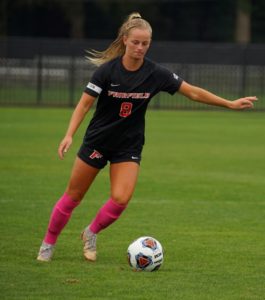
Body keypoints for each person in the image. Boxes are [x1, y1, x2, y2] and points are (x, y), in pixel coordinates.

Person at [37, 12, 257, 262]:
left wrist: (229, 103)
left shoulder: (156, 73)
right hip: (97, 142)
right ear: (124, 41)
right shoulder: (107, 72)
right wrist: (68, 135)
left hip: (128, 146)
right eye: (136, 42)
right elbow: (84, 105)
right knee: (73, 196)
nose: (140, 48)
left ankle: (90, 233)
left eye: (145, 43)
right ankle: (48, 244)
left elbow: (193, 93)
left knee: (121, 199)